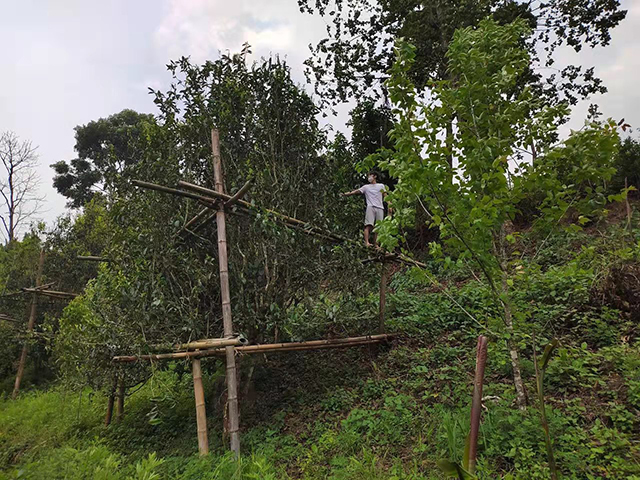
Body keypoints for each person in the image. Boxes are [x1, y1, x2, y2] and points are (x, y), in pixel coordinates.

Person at [341, 171, 389, 247]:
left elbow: (385, 196)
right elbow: (356, 191)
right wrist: (346, 194)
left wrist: (389, 203)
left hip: (380, 207)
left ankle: (376, 245)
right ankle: (367, 242)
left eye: (370, 175)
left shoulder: (381, 186)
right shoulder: (366, 187)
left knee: (379, 227)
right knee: (368, 225)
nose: (368, 177)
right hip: (370, 207)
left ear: (375, 176)